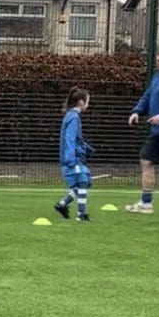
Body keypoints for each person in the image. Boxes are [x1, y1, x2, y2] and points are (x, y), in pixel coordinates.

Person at [125, 50, 159, 214]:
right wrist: (136, 112)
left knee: (146, 161)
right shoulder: (156, 77)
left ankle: (146, 203)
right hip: (157, 132)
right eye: (158, 60)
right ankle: (146, 203)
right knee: (146, 161)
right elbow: (147, 97)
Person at [53, 87, 93, 222]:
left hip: (75, 156)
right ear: (81, 102)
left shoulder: (71, 116)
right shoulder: (74, 117)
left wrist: (86, 148)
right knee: (82, 182)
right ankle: (81, 214)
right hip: (74, 158)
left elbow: (75, 139)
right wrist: (70, 159)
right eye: (88, 101)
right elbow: (70, 139)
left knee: (84, 183)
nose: (88, 104)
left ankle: (63, 204)